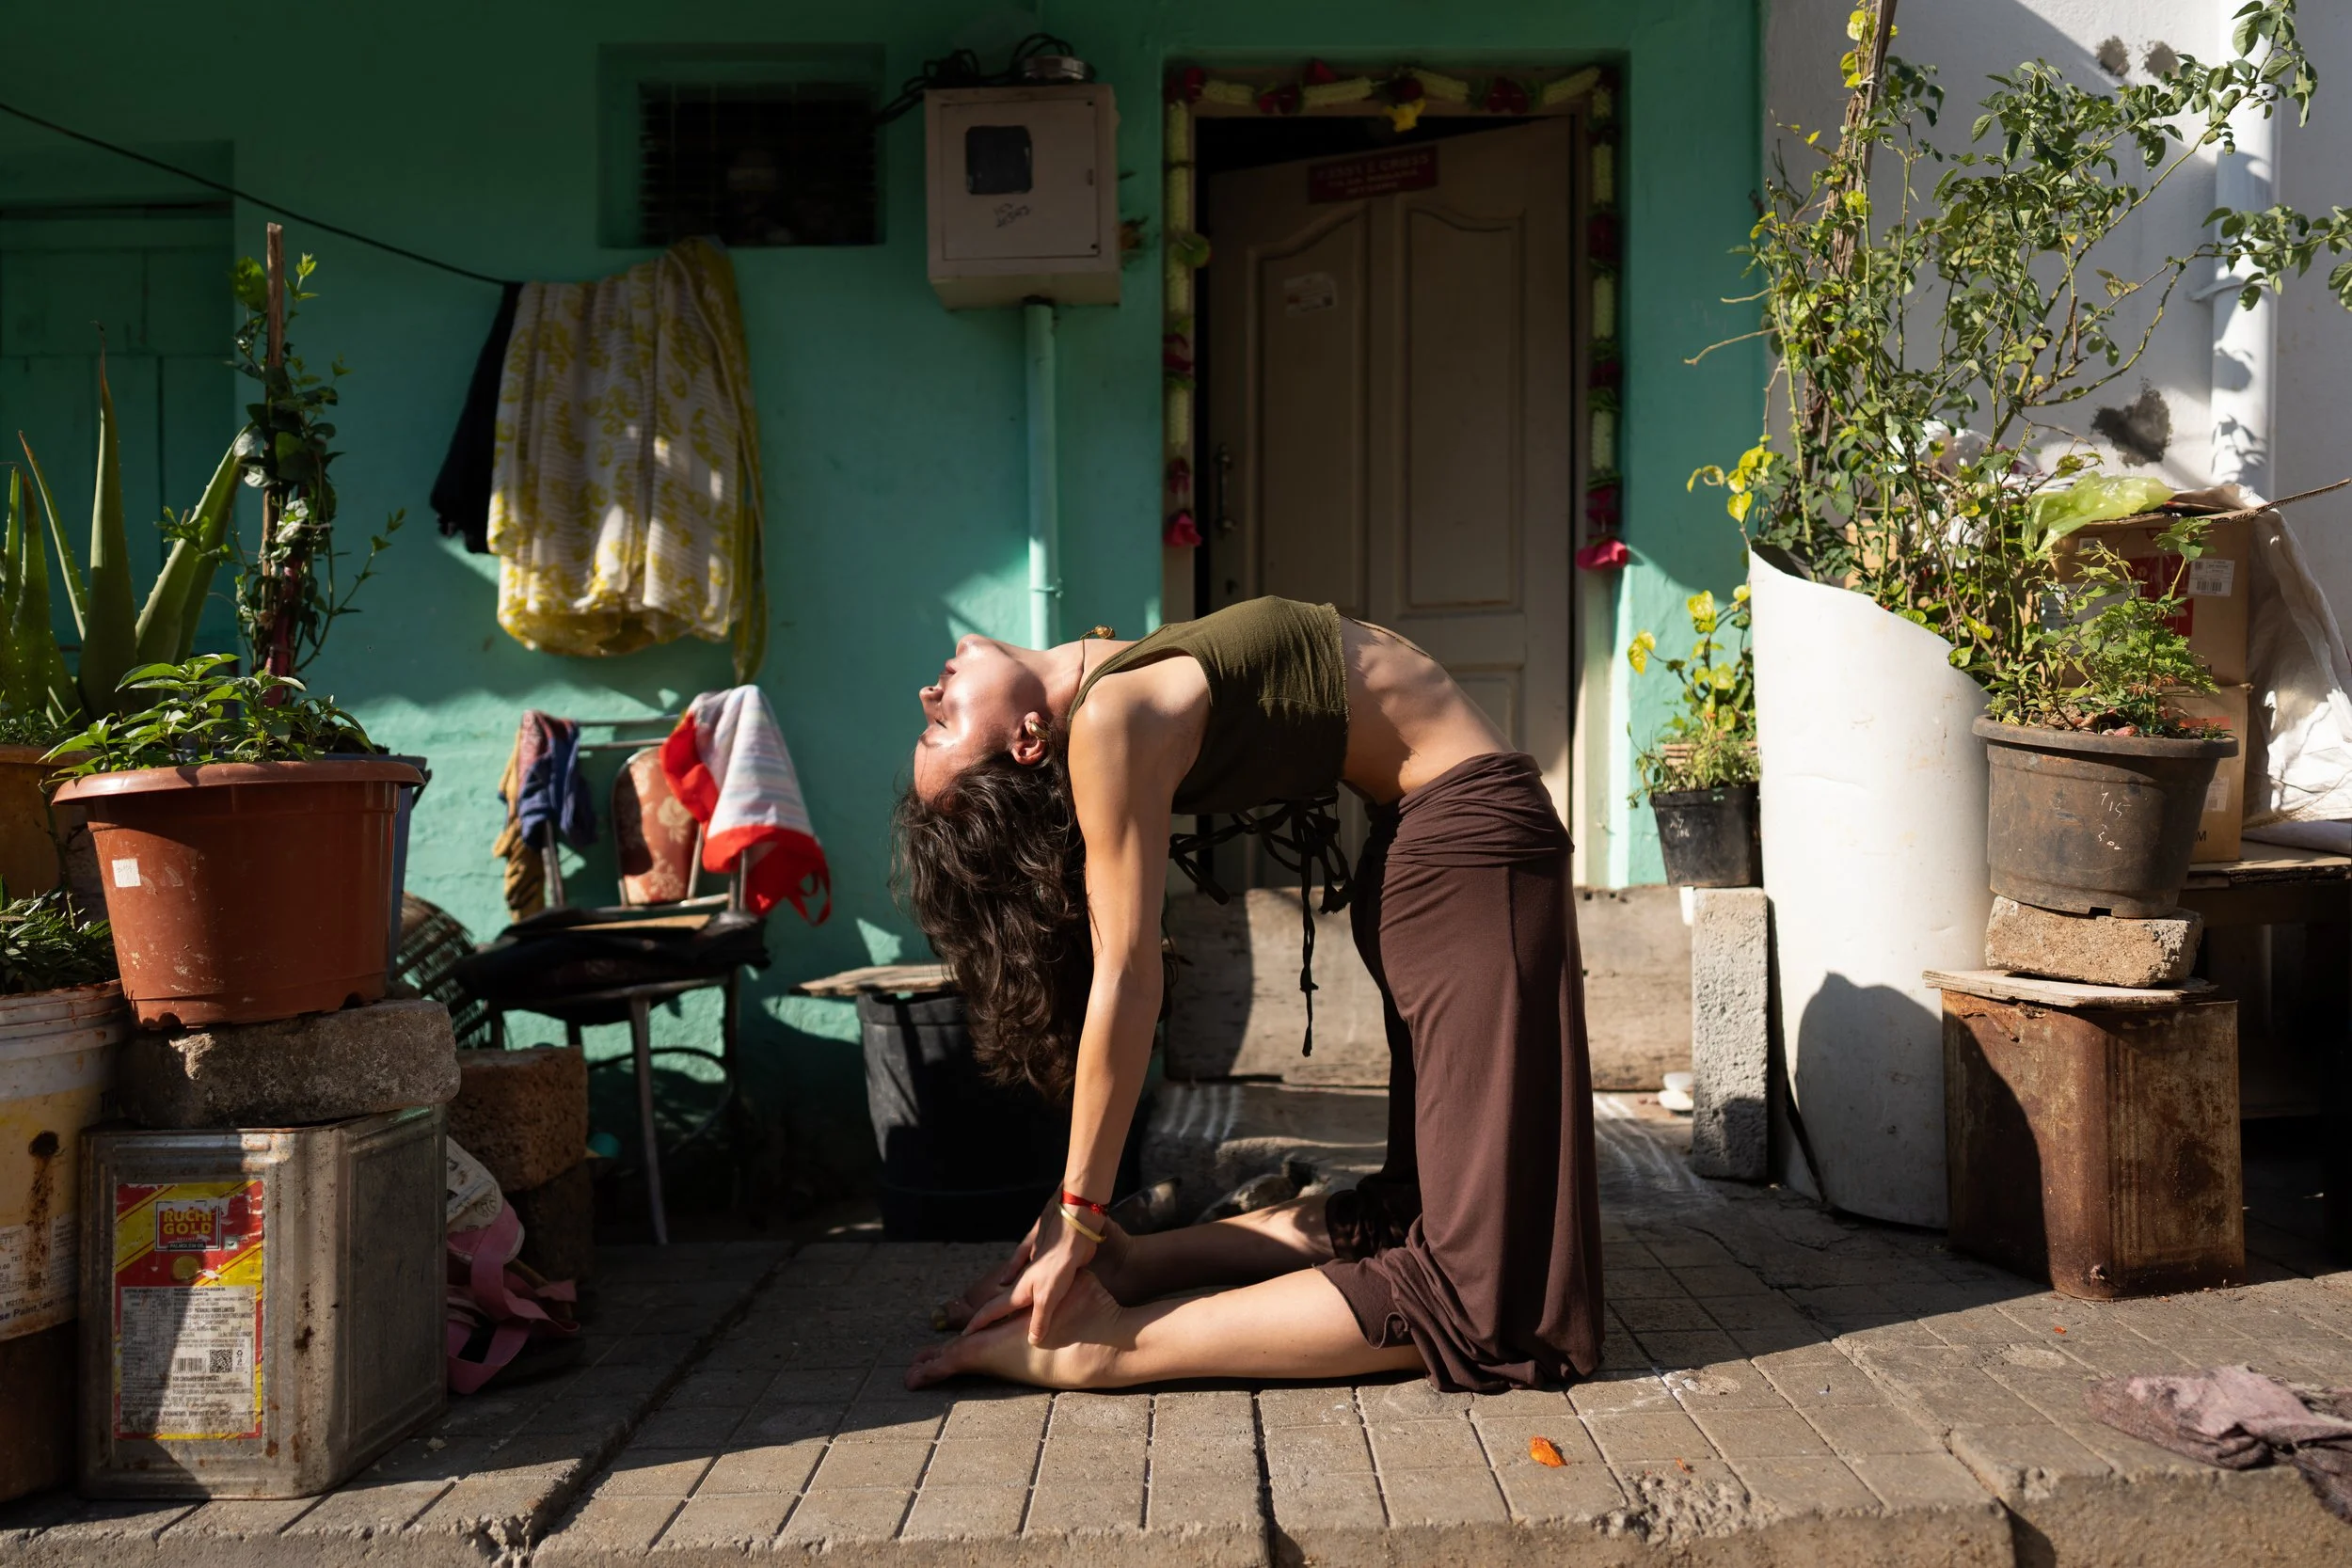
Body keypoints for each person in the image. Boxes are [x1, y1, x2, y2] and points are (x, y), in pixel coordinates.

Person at [895, 596, 1602, 1392]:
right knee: (1483, 1304)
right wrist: (1078, 1209)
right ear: (1028, 741)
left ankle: (1134, 1266)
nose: (930, 695)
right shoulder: (1107, 719)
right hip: (1467, 863)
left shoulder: (1108, 676)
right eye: (940, 727)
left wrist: (1091, 1232)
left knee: (1414, 1217)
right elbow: (1125, 973)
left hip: (1440, 855)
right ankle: (1113, 1345)